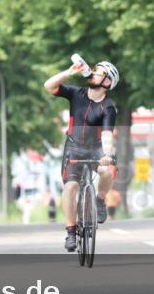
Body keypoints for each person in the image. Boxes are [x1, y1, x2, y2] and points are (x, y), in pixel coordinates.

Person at [44, 58, 119, 252]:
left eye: (98, 72)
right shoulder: (76, 93)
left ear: (107, 82)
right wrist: (68, 73)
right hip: (74, 147)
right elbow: (49, 86)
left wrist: (107, 154)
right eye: (93, 70)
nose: (92, 73)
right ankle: (71, 231)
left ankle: (100, 199)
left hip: (96, 148)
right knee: (71, 186)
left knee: (107, 171)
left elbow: (107, 134)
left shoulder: (108, 106)